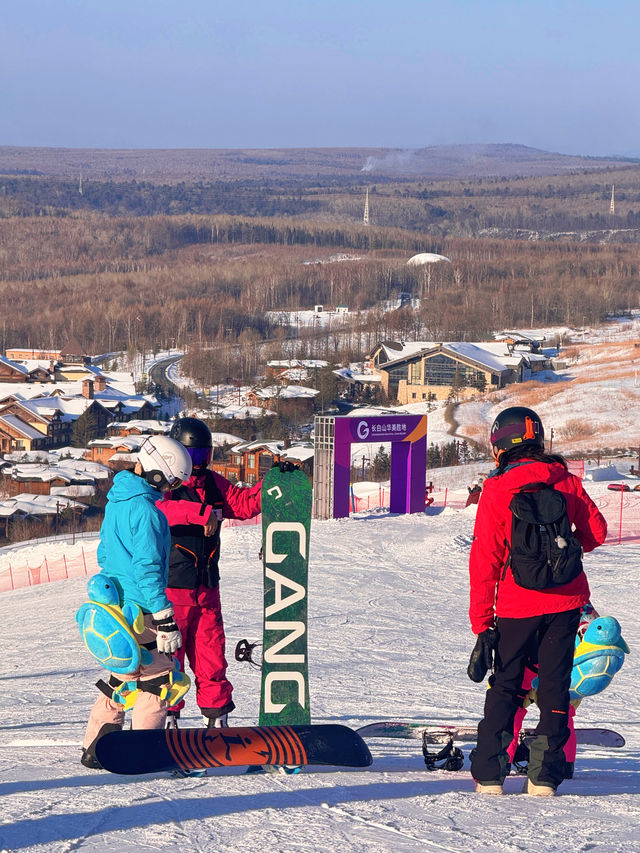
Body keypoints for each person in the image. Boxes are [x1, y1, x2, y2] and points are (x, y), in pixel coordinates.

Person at [468, 406, 607, 796]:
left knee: (507, 686)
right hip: (566, 603)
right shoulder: (565, 480)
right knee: (555, 687)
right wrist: (566, 549)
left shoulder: (496, 489)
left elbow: (485, 560)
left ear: (498, 445)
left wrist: (482, 622)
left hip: (515, 606)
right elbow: (597, 532)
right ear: (538, 439)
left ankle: (490, 775)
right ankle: (544, 778)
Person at [80, 435, 193, 768]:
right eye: (171, 481)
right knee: (157, 681)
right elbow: (148, 568)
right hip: (143, 610)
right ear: (160, 472)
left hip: (116, 606)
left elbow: (106, 552)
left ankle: (95, 746)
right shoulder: (147, 511)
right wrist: (164, 616)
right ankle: (143, 752)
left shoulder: (118, 498)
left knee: (124, 677)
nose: (170, 488)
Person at [157, 417, 262, 728]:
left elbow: (243, 505)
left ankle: (217, 720)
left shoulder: (213, 485)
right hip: (172, 592)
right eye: (193, 457)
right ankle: (167, 718)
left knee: (211, 658)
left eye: (205, 456)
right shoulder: (166, 485)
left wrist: (271, 485)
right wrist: (198, 512)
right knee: (168, 664)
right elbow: (160, 511)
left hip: (206, 591)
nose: (199, 465)